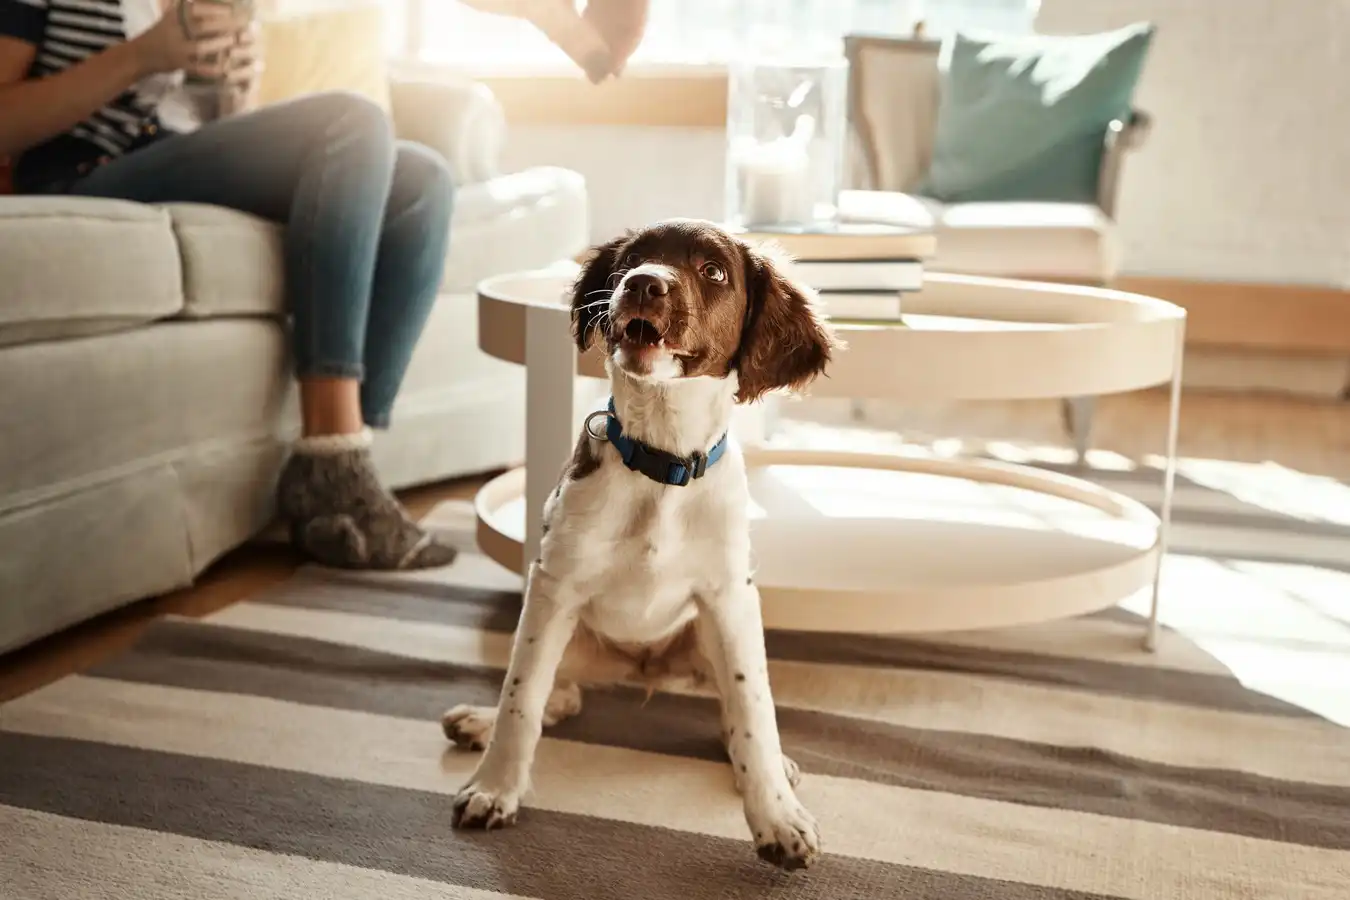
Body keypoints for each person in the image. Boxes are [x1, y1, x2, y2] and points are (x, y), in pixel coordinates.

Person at [0, 0, 460, 570]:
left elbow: (208, 131)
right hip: (79, 173)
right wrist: (141, 57)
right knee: (351, 119)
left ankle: (343, 465)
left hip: (174, 161)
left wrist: (235, 88)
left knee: (422, 182)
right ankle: (332, 461)